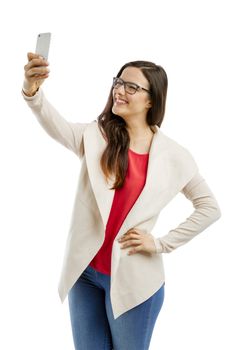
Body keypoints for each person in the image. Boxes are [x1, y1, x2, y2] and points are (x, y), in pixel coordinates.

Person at [22, 53, 221, 350]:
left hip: (135, 283)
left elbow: (209, 208)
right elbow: (55, 124)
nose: (119, 90)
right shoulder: (96, 136)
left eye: (131, 87)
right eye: (118, 82)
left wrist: (161, 243)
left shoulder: (174, 156)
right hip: (85, 275)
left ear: (151, 101)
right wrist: (32, 91)